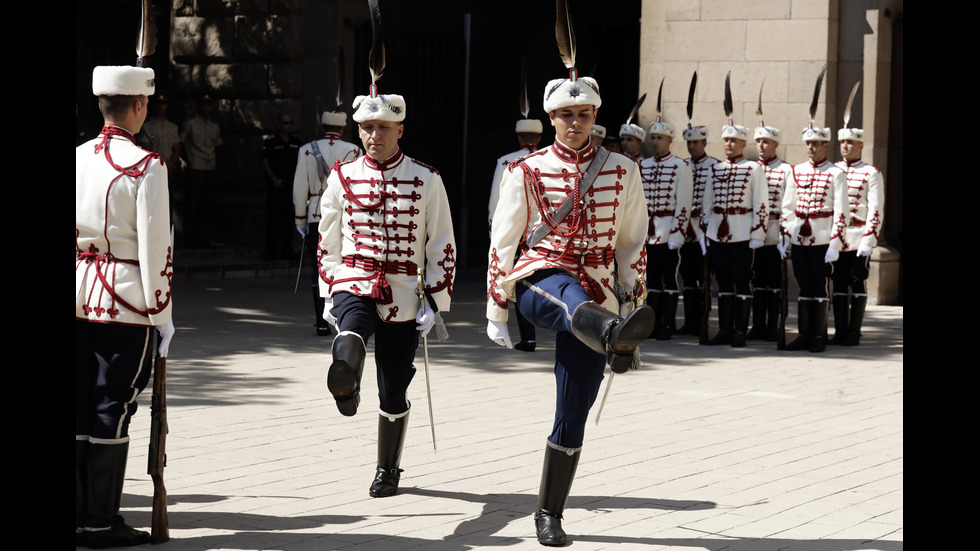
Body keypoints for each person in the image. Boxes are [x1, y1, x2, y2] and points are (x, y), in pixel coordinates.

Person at [486, 69, 652, 546]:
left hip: (600, 290)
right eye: (564, 115)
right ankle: (611, 332)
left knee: (572, 408)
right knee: (567, 296)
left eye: (583, 115)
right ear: (551, 118)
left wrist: (631, 295)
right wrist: (498, 307)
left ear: (595, 116)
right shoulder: (526, 169)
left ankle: (549, 514)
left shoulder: (623, 169)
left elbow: (632, 240)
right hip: (541, 278)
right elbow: (504, 240)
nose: (574, 123)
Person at [318, 88, 456, 498]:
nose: (374, 135)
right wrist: (329, 289)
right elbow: (327, 240)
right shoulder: (341, 177)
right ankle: (345, 383)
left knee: (393, 389)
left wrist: (435, 299)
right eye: (366, 128)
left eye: (383, 127)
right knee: (352, 329)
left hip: (404, 291)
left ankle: (387, 468)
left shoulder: (426, 178)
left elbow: (441, 242)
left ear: (400, 129)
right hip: (354, 279)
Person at [76, 65, 175, 548]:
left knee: (80, 402)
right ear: (138, 106)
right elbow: (158, 252)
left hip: (77, 294)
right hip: (126, 301)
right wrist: (163, 315)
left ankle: (81, 516)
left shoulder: (76, 158)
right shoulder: (145, 165)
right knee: (112, 405)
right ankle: (99, 522)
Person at [779, 126, 848, 352]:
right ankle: (803, 335)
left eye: (816, 144)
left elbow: (841, 211)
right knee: (804, 285)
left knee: (819, 286)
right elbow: (788, 206)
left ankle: (818, 335)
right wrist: (786, 235)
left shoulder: (835, 173)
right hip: (800, 237)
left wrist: (835, 243)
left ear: (825, 145)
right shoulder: (796, 171)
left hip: (822, 238)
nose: (811, 147)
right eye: (809, 143)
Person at [294, 109, 362, 336]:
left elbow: (299, 189)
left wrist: (300, 218)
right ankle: (342, 317)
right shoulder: (353, 150)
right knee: (345, 264)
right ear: (342, 129)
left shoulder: (306, 151)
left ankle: (321, 321)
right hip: (344, 215)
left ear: (323, 127)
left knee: (319, 266)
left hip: (316, 214)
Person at [702, 124, 768, 347]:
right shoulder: (715, 169)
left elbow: (761, 202)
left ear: (742, 144)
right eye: (726, 140)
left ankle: (740, 330)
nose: (729, 144)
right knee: (723, 282)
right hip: (717, 233)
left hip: (742, 233)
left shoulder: (753, 168)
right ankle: (724, 330)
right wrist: (705, 233)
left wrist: (758, 233)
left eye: (733, 140)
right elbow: (708, 204)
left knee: (742, 281)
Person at [488, 118, 544, 351]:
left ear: (519, 137)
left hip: (515, 234)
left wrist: (495, 231)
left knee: (517, 281)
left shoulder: (505, 161)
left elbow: (495, 202)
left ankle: (528, 338)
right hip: (543, 235)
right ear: (539, 137)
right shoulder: (548, 158)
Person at [639, 120, 693, 340]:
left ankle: (668, 324)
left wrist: (677, 235)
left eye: (659, 138)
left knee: (668, 278)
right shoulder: (643, 165)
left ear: (670, 140)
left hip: (668, 230)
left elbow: (684, 204)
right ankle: (653, 323)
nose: (655, 142)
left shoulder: (681, 166)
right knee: (650, 280)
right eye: (652, 137)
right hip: (647, 233)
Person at [831, 126, 882, 346]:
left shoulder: (871, 172)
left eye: (851, 142)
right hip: (836, 237)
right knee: (838, 281)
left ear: (861, 146)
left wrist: (869, 240)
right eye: (843, 142)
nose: (845, 146)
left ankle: (854, 331)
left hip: (858, 235)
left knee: (857, 280)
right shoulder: (832, 170)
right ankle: (840, 331)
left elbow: (876, 208)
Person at [747, 125, 791, 341]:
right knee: (757, 280)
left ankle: (773, 325)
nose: (761, 146)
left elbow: (788, 203)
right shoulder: (750, 168)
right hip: (752, 233)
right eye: (758, 142)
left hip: (774, 231)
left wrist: (786, 235)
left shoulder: (785, 170)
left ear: (775, 144)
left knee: (774, 282)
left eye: (766, 142)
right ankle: (757, 325)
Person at [678, 126, 717, 335]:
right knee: (688, 277)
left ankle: (702, 322)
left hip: (704, 230)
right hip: (685, 231)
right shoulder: (681, 166)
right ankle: (689, 322)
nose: (692, 146)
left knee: (704, 278)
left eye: (696, 142)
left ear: (704, 143)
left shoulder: (715, 166)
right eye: (689, 143)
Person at [180, 95, 222, 247]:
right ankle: (190, 237)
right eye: (203, 104)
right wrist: (187, 159)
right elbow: (181, 142)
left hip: (209, 166)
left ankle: (203, 237)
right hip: (195, 166)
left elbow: (216, 144)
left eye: (208, 104)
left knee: (206, 204)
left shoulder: (214, 126)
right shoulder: (190, 123)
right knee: (192, 203)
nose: (205, 107)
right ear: (198, 106)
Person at [262, 113, 304, 260]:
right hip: (275, 185)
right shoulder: (271, 141)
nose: (288, 125)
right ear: (279, 124)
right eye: (285, 123)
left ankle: (287, 249)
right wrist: (274, 179)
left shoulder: (297, 142)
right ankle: (270, 251)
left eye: (290, 122)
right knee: (273, 219)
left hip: (291, 186)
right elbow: (265, 161)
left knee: (289, 219)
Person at [138, 94, 181, 172]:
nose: (160, 107)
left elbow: (177, 148)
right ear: (154, 105)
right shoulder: (146, 126)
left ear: (167, 106)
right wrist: (162, 163)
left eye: (163, 103)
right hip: (154, 167)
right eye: (158, 103)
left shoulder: (173, 127)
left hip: (170, 167)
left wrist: (171, 163)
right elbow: (146, 148)